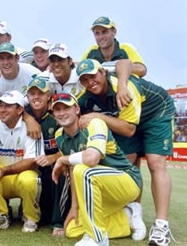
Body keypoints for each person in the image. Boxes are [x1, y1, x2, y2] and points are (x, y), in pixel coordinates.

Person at [76, 59, 176, 245]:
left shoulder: (124, 87)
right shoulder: (86, 97)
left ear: (103, 72)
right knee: (126, 165)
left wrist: (98, 116)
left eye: (93, 76)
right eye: (85, 80)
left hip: (155, 112)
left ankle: (162, 225)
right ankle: (133, 211)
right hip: (127, 118)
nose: (91, 82)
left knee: (155, 163)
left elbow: (129, 129)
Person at [51, 92, 144, 246]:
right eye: (57, 109)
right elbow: (74, 172)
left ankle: (97, 238)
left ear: (76, 109)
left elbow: (92, 158)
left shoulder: (94, 124)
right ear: (53, 114)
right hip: (98, 187)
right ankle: (127, 217)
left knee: (84, 169)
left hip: (127, 180)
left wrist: (62, 159)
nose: (62, 113)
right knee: (72, 229)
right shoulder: (59, 135)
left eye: (66, 108)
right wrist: (75, 207)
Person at [0, 90, 44, 233]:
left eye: (8, 106)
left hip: (22, 177)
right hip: (1, 178)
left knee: (29, 178)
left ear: (20, 109)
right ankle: (0, 213)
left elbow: (33, 161)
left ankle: (30, 216)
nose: (2, 110)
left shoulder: (31, 128)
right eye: (1, 106)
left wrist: (5, 171)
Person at [25, 77, 70, 235]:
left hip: (52, 163)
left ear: (48, 97)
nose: (36, 97)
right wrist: (27, 117)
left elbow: (70, 147)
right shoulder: (22, 114)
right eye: (32, 94)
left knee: (59, 168)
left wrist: (54, 157)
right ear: (27, 97)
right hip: (28, 162)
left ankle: (59, 220)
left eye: (40, 93)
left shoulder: (56, 116)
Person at [82, 16, 147, 77]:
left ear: (114, 32)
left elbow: (142, 70)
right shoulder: (91, 51)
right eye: (97, 33)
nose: (101, 37)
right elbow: (80, 69)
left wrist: (112, 68)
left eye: (104, 32)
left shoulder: (125, 48)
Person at [0, 42, 41, 106]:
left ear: (17, 58)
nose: (6, 62)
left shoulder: (34, 74)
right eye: (2, 58)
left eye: (9, 57)